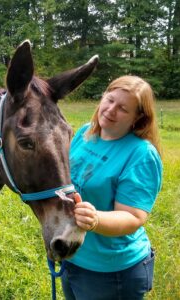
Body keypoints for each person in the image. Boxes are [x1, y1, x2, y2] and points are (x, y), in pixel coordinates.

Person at [62, 75, 163, 300]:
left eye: (123, 109)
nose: (110, 110)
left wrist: (95, 219)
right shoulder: (85, 133)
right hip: (73, 256)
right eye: (109, 100)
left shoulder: (141, 155)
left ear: (138, 118)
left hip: (112, 272)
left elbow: (133, 217)